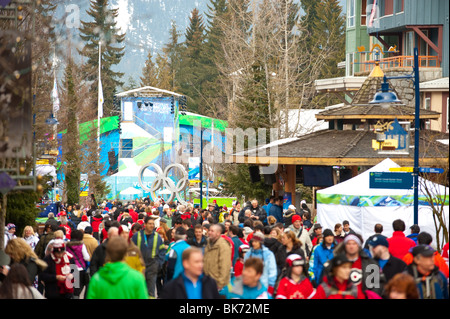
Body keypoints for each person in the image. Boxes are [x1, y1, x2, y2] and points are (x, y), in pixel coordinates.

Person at [131, 216, 166, 298]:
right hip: (139, 268)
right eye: (150, 224)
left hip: (152, 267)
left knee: (151, 292)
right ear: (145, 224)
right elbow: (131, 251)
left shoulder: (157, 237)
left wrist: (158, 265)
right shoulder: (137, 236)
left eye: (153, 224)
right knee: (138, 290)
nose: (152, 226)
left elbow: (162, 252)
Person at [244, 231, 277, 296]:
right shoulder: (248, 254)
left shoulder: (268, 254)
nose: (253, 243)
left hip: (264, 286)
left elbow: (272, 271)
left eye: (256, 242)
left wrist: (271, 285)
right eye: (253, 241)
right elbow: (245, 269)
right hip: (250, 287)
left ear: (261, 242)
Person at [203, 224, 232, 290]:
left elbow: (225, 266)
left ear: (218, 233)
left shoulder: (223, 246)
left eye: (212, 231)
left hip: (217, 283)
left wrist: (220, 284)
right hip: (207, 281)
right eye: (209, 230)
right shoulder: (208, 244)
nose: (209, 232)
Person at [66, 230, 90, 299]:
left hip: (70, 268)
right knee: (77, 290)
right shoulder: (81, 245)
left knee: (70, 288)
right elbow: (86, 257)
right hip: (80, 268)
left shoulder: (67, 245)